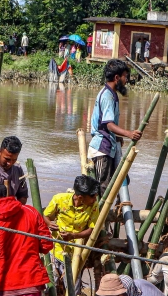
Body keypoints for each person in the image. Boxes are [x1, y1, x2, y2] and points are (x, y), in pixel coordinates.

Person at [88, 59, 141, 188]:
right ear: (117, 78)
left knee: (121, 180)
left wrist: (117, 136)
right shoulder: (107, 96)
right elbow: (108, 125)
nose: (126, 80)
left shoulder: (111, 94)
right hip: (102, 148)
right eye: (125, 77)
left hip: (108, 145)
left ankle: (118, 206)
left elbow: (104, 124)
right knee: (102, 187)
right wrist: (128, 133)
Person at [42, 175, 100, 278]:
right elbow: (45, 215)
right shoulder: (59, 199)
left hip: (76, 254)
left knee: (73, 286)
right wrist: (49, 223)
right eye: (93, 197)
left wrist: (73, 236)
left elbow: (92, 229)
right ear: (81, 197)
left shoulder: (94, 206)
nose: (95, 200)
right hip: (56, 248)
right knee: (53, 282)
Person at [0, 136, 28, 203]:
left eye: (14, 160)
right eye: (7, 159)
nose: (10, 163)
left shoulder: (18, 168)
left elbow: (23, 195)